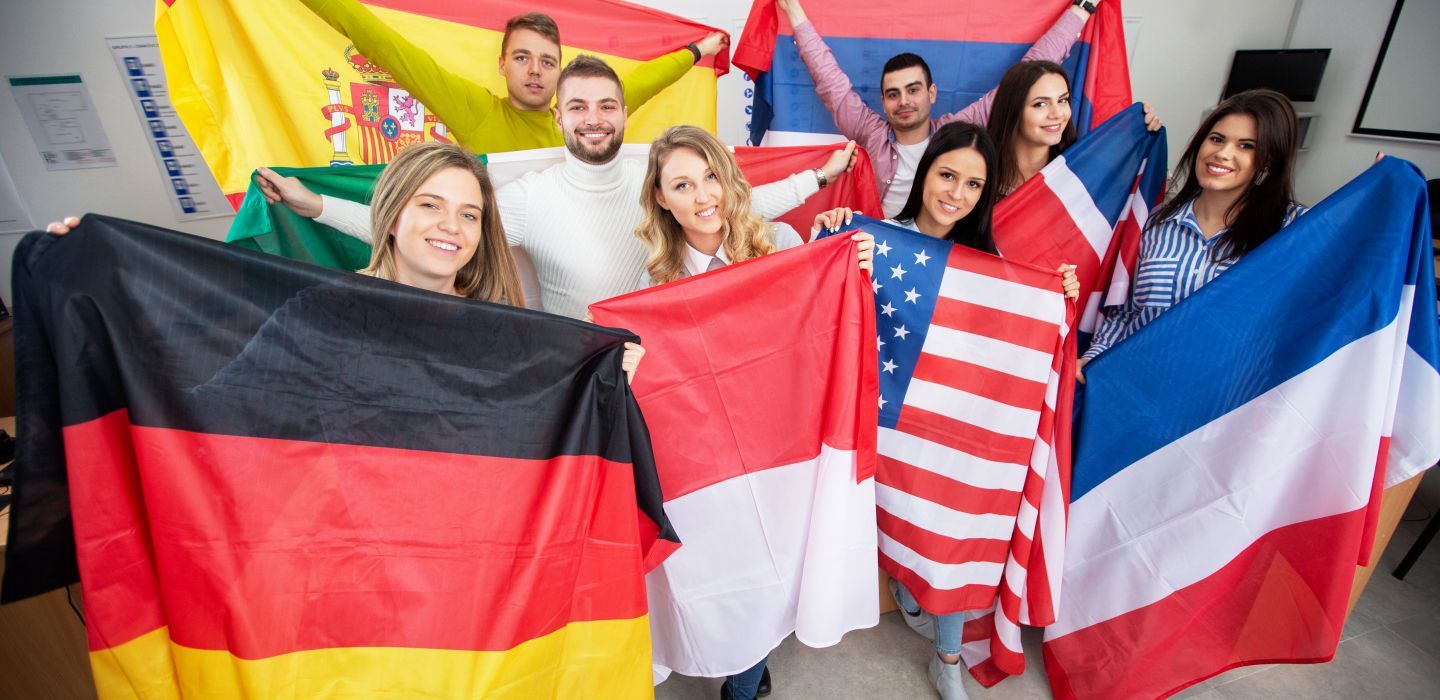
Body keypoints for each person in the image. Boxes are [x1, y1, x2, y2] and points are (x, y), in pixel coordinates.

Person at [258, 55, 857, 320]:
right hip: (595, 368)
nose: (594, 118)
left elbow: (729, 206)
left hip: (677, 357)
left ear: (624, 113)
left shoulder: (658, 171)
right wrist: (315, 207)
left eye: (606, 106)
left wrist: (818, 178)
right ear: (560, 118)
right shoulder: (525, 198)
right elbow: (427, 233)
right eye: (578, 107)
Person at [812, 122, 1076, 700]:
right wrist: (829, 233)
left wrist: (1056, 295)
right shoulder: (879, 236)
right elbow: (824, 298)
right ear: (925, 172)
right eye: (947, 175)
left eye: (974, 184)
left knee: (952, 528)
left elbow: (1012, 339)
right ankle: (906, 578)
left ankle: (947, 657)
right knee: (881, 519)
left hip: (949, 432)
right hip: (882, 418)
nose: (956, 193)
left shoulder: (990, 263)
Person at [632, 124, 872, 700]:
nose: (703, 195)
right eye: (683, 185)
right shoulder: (654, 283)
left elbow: (825, 324)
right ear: (662, 199)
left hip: (781, 445)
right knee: (729, 568)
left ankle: (742, 685)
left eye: (711, 176)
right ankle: (741, 660)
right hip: (709, 458)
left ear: (730, 179)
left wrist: (851, 257)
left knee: (779, 567)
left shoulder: (785, 245)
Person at [776, 0, 1096, 216]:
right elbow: (831, 83)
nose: (904, 101)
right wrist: (794, 13)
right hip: (877, 248)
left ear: (932, 93)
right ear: (884, 103)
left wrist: (1082, 10)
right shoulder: (870, 131)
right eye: (893, 94)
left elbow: (1025, 77)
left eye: (913, 90)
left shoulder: (956, 131)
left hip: (942, 253)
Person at [1078, 88, 1306, 380]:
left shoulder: (1290, 230)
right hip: (1132, 391)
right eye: (1217, 139)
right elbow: (1124, 314)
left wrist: (1381, 199)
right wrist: (1094, 358)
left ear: (1268, 161)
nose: (1223, 153)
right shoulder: (1155, 224)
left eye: (1246, 146)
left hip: (1214, 408)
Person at [295, 0, 727, 154]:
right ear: (502, 64)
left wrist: (696, 52)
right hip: (495, 278)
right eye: (522, 58)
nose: (535, 70)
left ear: (561, 71)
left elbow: (641, 84)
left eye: (547, 61)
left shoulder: (581, 117)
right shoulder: (477, 111)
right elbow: (383, 44)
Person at [988, 59, 1162, 196]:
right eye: (1040, 104)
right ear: (1012, 110)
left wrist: (1143, 129)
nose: (1057, 114)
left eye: (1062, 100)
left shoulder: (1081, 168)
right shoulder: (981, 170)